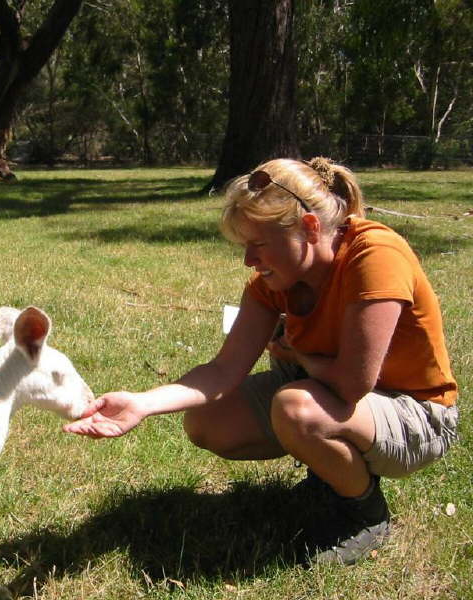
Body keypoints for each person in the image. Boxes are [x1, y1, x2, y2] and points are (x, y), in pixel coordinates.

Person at [64, 157, 459, 565]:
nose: (249, 260)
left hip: (418, 415)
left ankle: (365, 514)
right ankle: (331, 475)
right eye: (245, 246)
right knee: (207, 421)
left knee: (296, 408)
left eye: (260, 244)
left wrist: (299, 356)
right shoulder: (274, 283)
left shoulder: (375, 254)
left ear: (309, 229)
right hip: (336, 401)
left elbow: (353, 383)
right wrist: (143, 403)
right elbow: (222, 371)